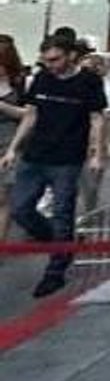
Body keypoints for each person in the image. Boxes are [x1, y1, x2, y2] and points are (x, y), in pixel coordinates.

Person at [1, 36, 107, 298]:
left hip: (67, 159)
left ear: (71, 55)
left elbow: (97, 119)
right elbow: (31, 115)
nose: (50, 65)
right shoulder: (42, 78)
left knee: (62, 214)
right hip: (35, 155)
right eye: (46, 60)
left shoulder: (89, 82)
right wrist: (13, 148)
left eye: (55, 59)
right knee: (20, 209)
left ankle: (55, 271)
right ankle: (62, 242)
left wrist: (97, 154)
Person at [0, 34, 26, 244]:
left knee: (4, 198)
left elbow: (29, 114)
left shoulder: (20, 82)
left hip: (10, 142)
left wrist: (2, 106)